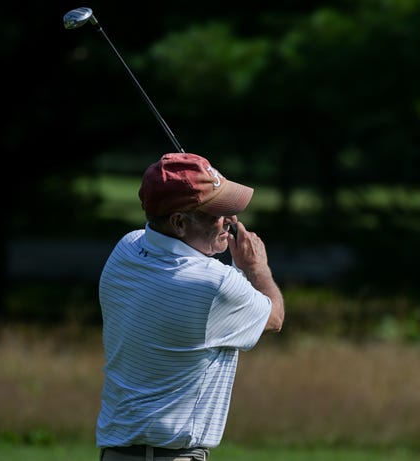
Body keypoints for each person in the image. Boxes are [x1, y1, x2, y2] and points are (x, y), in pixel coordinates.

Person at [96, 152, 285, 461]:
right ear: (179, 222)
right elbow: (274, 317)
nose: (227, 222)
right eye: (216, 213)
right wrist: (255, 268)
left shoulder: (126, 249)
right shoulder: (215, 284)